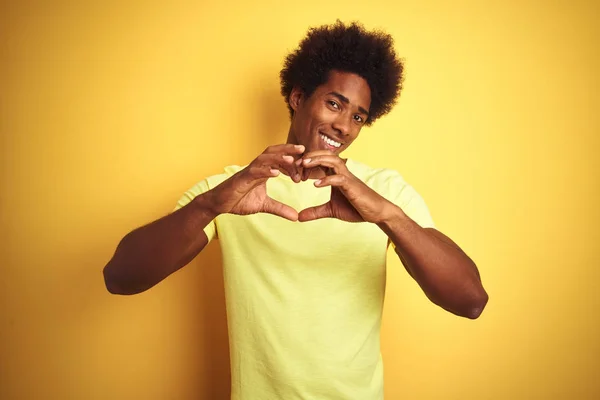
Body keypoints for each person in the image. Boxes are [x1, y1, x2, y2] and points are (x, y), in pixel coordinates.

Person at [103, 20, 488, 400]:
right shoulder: (235, 188)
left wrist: (389, 217)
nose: (343, 126)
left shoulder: (384, 192)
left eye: (357, 117)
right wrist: (210, 205)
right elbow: (120, 277)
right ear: (299, 98)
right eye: (334, 104)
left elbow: (470, 301)